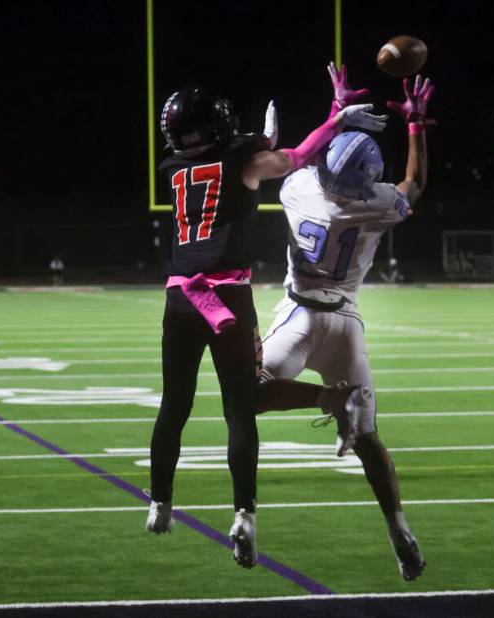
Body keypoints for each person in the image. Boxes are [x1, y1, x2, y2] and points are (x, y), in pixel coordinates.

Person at [146, 76, 388, 569]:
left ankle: (160, 503)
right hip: (227, 297)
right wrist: (336, 118)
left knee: (175, 405)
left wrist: (256, 140)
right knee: (239, 409)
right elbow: (298, 156)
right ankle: (244, 515)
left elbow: (227, 150)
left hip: (180, 297)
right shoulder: (245, 162)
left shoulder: (171, 166)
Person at [258, 66, 432, 581]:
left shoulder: (298, 190)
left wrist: (334, 113)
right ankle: (399, 527)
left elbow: (299, 155)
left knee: (247, 393)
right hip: (345, 326)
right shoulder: (377, 203)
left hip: (299, 315)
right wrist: (415, 123)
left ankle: (324, 400)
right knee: (370, 440)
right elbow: (415, 183)